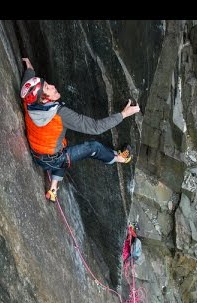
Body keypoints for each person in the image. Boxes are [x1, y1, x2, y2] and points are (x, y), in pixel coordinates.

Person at [19, 57, 141, 202]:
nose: (52, 86)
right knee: (92, 147)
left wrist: (29, 68)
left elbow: (26, 85)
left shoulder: (29, 102)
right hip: (53, 159)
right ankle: (120, 158)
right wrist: (123, 114)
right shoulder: (59, 114)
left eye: (47, 84)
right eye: (47, 88)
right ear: (44, 100)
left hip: (37, 155)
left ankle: (53, 189)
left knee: (63, 147)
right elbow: (95, 127)